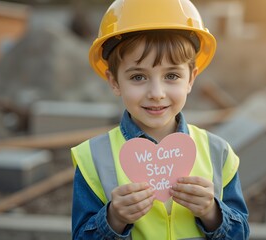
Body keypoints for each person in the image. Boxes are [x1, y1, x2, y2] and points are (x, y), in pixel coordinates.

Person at [71, 0, 250, 239]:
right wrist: (114, 219)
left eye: (172, 75)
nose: (156, 93)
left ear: (191, 79)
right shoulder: (92, 158)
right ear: (114, 81)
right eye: (138, 77)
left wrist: (212, 213)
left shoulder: (218, 153)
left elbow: (241, 234)